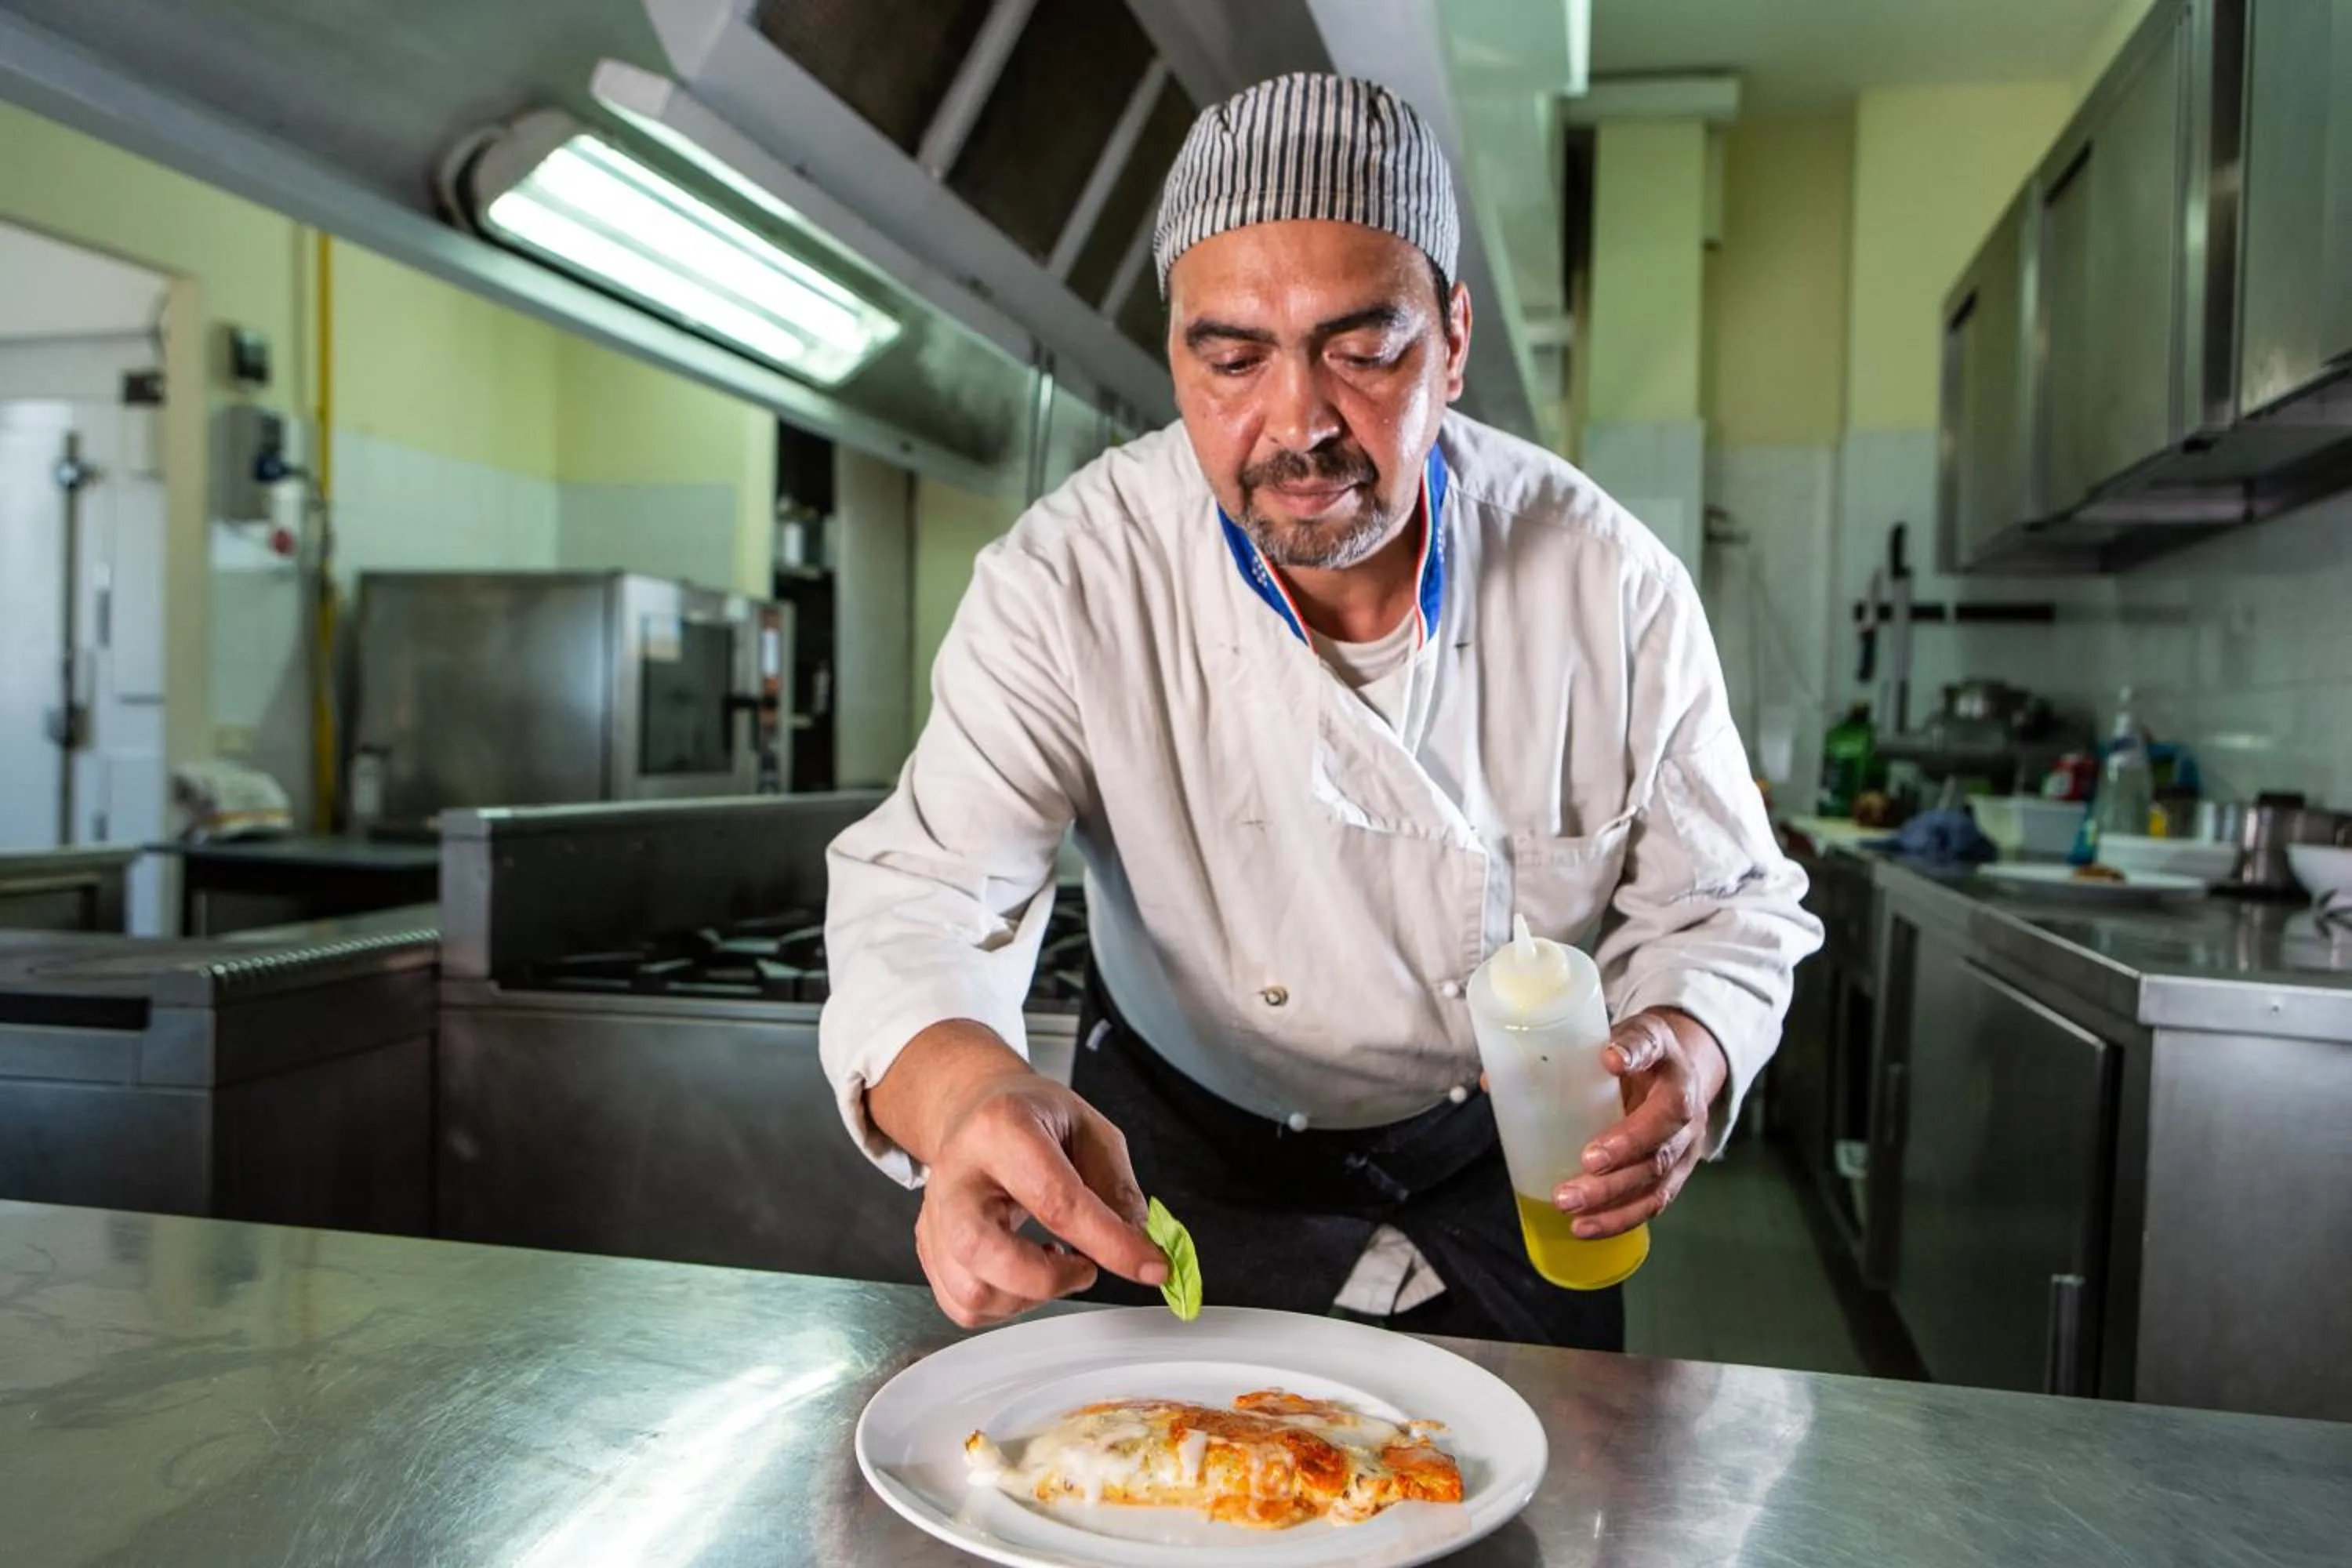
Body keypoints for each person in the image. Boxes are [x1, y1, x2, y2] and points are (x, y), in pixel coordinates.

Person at [819, 72, 1821, 1348]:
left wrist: (1687, 1039)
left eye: (1363, 349)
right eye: (1231, 357)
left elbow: (1726, 902)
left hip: (1514, 1165)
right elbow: (928, 893)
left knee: (1546, 1520)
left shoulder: (1604, 584)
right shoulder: (1070, 579)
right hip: (1178, 1158)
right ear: (1176, 350)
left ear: (1454, 341)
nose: (1296, 423)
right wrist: (966, 1100)